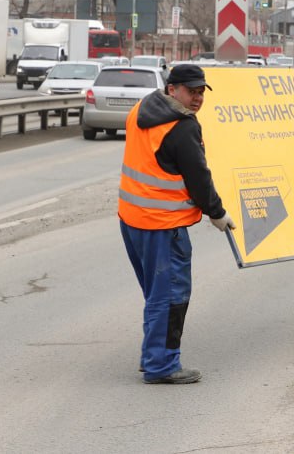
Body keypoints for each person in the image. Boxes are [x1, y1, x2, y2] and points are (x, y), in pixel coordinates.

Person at [118, 63, 236, 384]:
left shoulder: (143, 108)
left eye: (201, 92)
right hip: (162, 225)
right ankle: (162, 364)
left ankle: (152, 355)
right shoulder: (182, 127)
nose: (197, 98)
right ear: (173, 89)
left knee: (157, 293)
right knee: (170, 294)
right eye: (191, 91)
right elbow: (199, 178)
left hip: (132, 220)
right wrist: (217, 213)